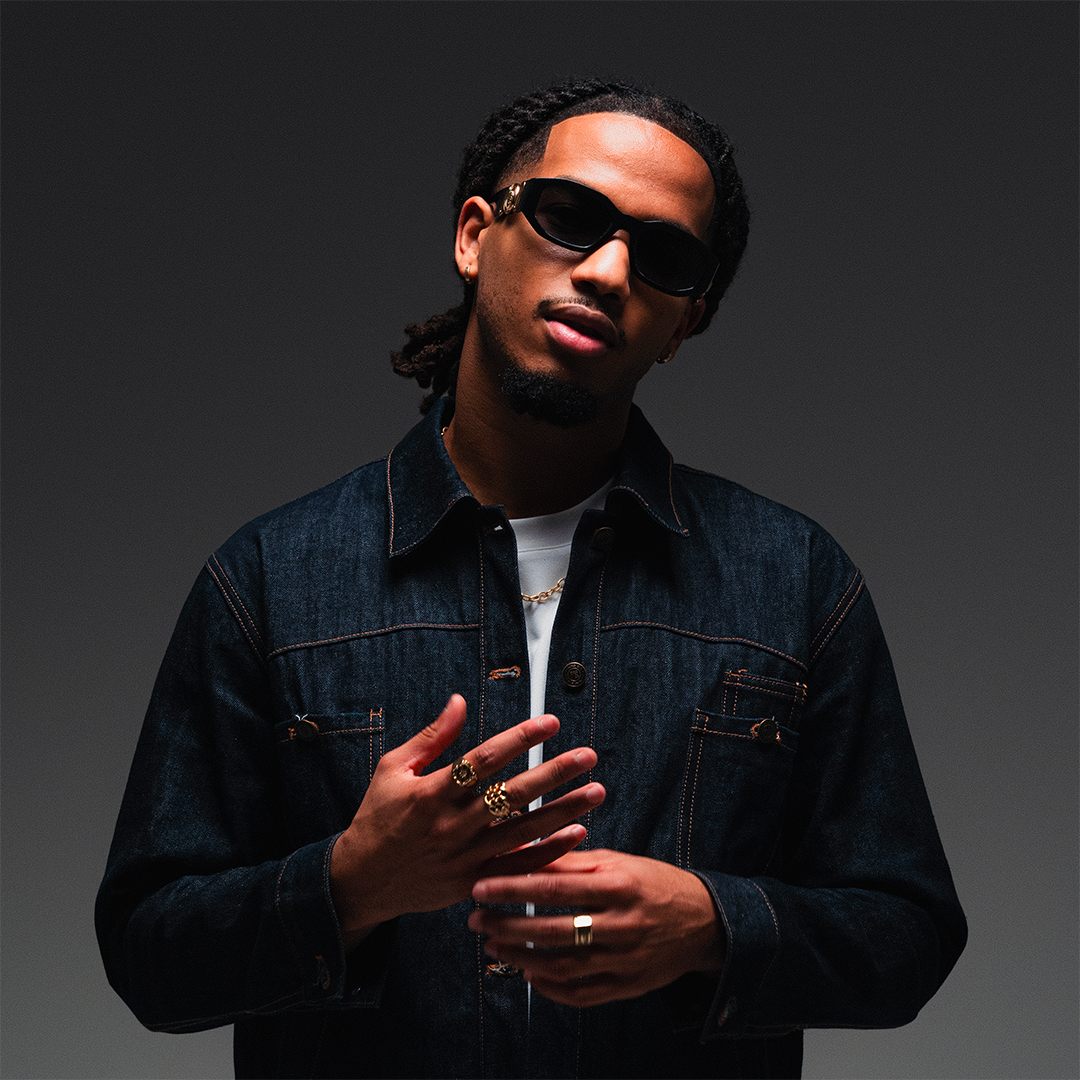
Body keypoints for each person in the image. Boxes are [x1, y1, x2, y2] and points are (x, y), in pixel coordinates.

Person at [97, 78, 966, 1079]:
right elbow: (148, 955)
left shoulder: (797, 580)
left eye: (665, 256)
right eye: (570, 217)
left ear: (683, 326)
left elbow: (909, 934)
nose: (608, 270)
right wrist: (351, 885)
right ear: (475, 235)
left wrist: (711, 924)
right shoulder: (268, 579)